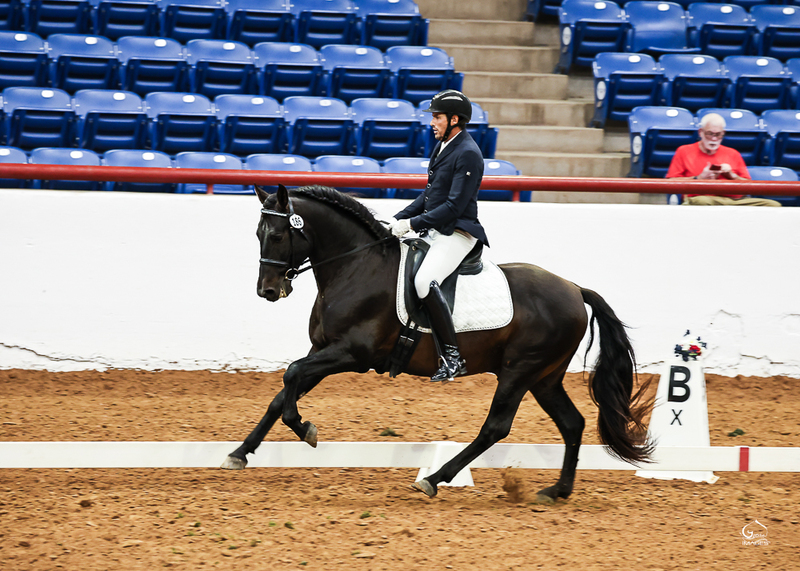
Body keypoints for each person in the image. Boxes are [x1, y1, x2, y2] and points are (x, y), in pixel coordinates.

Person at [389, 89, 489, 382]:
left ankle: (453, 356)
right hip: (436, 229)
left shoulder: (468, 153)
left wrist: (412, 224)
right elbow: (429, 195)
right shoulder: (444, 146)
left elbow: (453, 207)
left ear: (455, 119)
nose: (432, 122)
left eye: (437, 117)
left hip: (457, 232)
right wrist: (398, 219)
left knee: (423, 280)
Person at [666, 113, 781, 206]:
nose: (714, 138)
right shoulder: (684, 151)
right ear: (701, 132)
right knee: (700, 202)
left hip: (734, 201)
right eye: (710, 134)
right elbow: (670, 183)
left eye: (718, 134)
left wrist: (732, 176)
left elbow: (749, 188)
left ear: (723, 133)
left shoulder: (733, 153)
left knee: (772, 205)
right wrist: (698, 178)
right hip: (703, 199)